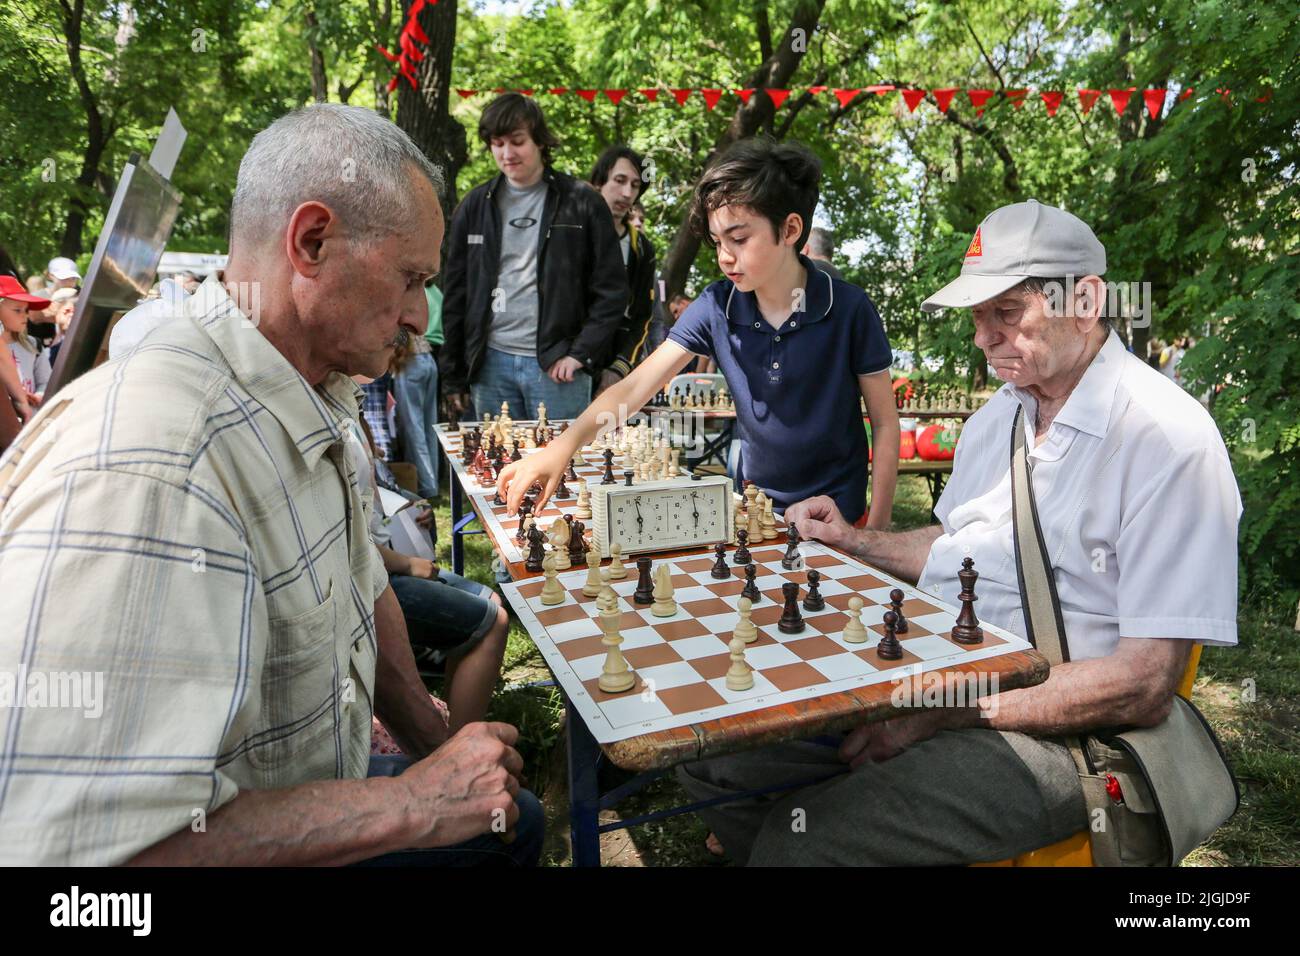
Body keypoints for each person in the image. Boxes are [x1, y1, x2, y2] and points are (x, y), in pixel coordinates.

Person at [0, 103, 541, 866]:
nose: (420, 314)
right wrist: (412, 804)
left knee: (515, 821)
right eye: (411, 278)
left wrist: (433, 749)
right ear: (312, 241)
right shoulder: (159, 464)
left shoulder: (312, 389)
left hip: (312, 790)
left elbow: (365, 598)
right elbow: (76, 865)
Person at [674, 200, 1242, 866]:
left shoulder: (1166, 439)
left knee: (806, 846)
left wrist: (940, 711)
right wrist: (858, 542)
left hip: (1063, 732)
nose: (983, 338)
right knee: (714, 765)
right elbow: (959, 547)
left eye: (1008, 313)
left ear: (1086, 300)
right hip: (936, 680)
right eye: (978, 317)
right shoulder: (997, 417)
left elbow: (1141, 684)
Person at [496, 138, 900, 530]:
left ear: (791, 229)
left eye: (739, 238)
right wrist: (561, 449)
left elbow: (884, 424)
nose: (725, 256)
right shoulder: (716, 305)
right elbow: (634, 390)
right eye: (717, 241)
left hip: (841, 516)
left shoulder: (848, 309)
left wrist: (876, 532)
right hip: (757, 513)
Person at [440, 92, 628, 422]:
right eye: (497, 143)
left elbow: (612, 291)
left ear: (539, 141)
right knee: (500, 470)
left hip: (557, 367)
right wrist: (453, 374)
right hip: (490, 364)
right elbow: (456, 295)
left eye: (517, 141)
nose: (507, 153)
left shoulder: (582, 201)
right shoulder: (473, 206)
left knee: (564, 470)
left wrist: (580, 354)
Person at [589, 145, 657, 396]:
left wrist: (619, 367)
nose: (627, 193)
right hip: (565, 367)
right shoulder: (569, 232)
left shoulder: (642, 249)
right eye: (619, 181)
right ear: (598, 182)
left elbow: (644, 317)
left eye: (635, 185)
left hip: (613, 368)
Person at [393, 280, 444, 500]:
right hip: (430, 359)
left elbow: (402, 328)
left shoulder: (403, 293)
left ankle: (425, 486)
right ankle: (432, 483)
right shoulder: (433, 292)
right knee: (428, 425)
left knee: (413, 428)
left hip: (411, 360)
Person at [0, 274, 49, 423]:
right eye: (17, 310)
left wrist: (40, 395)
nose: (25, 316)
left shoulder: (34, 345)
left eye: (26, 310)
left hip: (31, 424)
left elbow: (45, 381)